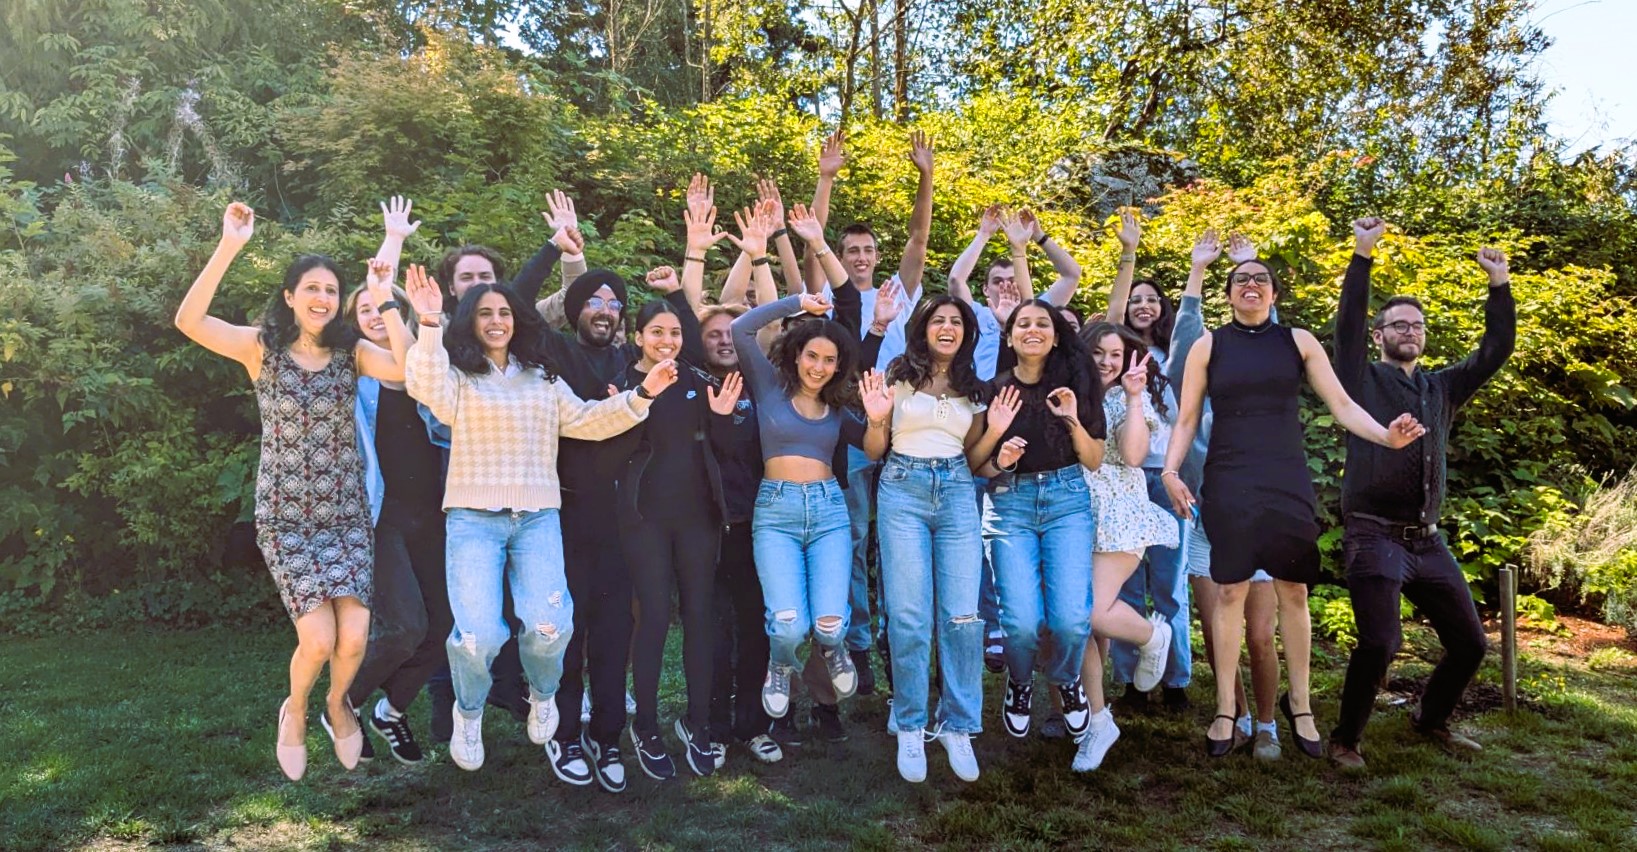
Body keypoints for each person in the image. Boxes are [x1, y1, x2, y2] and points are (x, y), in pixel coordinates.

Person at [401, 266, 675, 773]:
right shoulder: (458, 377)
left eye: (505, 312)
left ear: (518, 321)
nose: (497, 320)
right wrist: (427, 322)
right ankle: (468, 711)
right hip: (472, 520)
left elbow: (590, 422)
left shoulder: (544, 378)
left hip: (537, 520)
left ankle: (543, 693)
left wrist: (644, 395)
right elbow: (423, 387)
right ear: (471, 322)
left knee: (551, 629)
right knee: (478, 636)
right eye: (485, 313)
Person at [174, 202, 411, 781]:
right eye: (312, 288)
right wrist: (230, 244)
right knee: (318, 638)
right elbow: (189, 320)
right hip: (286, 519)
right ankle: (298, 709)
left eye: (331, 289)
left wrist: (383, 299)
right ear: (290, 297)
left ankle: (337, 704)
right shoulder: (262, 350)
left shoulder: (352, 354)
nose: (323, 298)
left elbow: (408, 371)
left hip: (347, 517)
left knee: (353, 639)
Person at [1160, 254, 1427, 758]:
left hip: (1285, 478)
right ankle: (1224, 709)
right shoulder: (1208, 345)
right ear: (1229, 293)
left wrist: (1386, 438)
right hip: (1228, 479)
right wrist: (1172, 472)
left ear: (1275, 294)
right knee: (1229, 594)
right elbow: (1188, 418)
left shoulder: (1298, 341)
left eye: (1261, 279)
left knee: (1294, 593)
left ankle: (1299, 705)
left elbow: (1343, 405)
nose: (1251, 286)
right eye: (1241, 280)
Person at [1326, 220, 1515, 769]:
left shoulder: (1442, 387)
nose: (1409, 330)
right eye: (1397, 324)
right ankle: (1345, 740)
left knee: (1471, 645)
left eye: (1417, 324)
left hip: (1427, 543)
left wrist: (1499, 285)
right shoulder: (1358, 378)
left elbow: (1496, 349)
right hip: (1372, 535)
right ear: (1380, 334)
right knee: (1381, 643)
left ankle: (1429, 720)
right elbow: (1345, 329)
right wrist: (1362, 255)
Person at [425, 190, 589, 743]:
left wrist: (566, 249)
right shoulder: (443, 334)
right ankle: (458, 713)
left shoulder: (522, 346)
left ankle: (529, 698)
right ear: (452, 290)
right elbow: (424, 372)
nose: (480, 290)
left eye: (487, 278)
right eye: (468, 279)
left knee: (541, 623)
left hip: (528, 488)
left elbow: (566, 301)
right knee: (472, 631)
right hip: (458, 491)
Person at [612, 190, 744, 781]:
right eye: (656, 333)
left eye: (673, 331)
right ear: (638, 338)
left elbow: (722, 442)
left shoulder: (696, 379)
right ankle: (645, 727)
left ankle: (697, 721)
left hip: (698, 518)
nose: (667, 340)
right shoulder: (620, 386)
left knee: (698, 615)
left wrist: (718, 418)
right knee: (652, 620)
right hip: (644, 519)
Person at [729, 288, 892, 735]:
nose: (819, 367)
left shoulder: (836, 409)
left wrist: (878, 419)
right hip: (776, 512)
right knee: (786, 625)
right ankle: (781, 666)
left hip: (827, 513)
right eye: (812, 356)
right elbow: (740, 328)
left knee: (829, 623)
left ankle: (833, 647)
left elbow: (874, 450)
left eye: (829, 360)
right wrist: (799, 302)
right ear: (797, 354)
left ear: (838, 366)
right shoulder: (769, 388)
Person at [811, 132, 935, 696]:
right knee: (857, 541)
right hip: (856, 439)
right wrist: (826, 178)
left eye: (866, 250)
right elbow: (813, 242)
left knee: (903, 545)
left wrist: (925, 175)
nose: (859, 258)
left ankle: (902, 640)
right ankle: (858, 646)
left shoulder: (900, 291)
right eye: (851, 250)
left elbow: (919, 235)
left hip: (907, 438)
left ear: (877, 256)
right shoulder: (833, 302)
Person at [1165, 230, 1283, 759]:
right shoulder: (1194, 400)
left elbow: (1271, 341)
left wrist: (1248, 263)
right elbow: (1185, 336)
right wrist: (1199, 268)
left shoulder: (1257, 397)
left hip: (1259, 521)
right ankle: (1227, 715)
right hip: (1209, 525)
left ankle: (1268, 725)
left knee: (1259, 634)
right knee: (1218, 637)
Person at [341, 199, 449, 766]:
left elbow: (414, 370)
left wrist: (388, 298)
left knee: (443, 628)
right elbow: (377, 286)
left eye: (380, 309)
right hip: (379, 517)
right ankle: (346, 703)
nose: (371, 313)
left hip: (434, 514)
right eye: (361, 309)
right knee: (405, 625)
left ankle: (392, 709)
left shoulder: (424, 369)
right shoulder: (349, 372)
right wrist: (392, 241)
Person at [968, 299, 1106, 740]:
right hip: (1011, 504)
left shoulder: (1076, 385)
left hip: (1067, 500)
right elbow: (976, 465)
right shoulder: (994, 390)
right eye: (1022, 324)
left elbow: (1095, 460)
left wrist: (1070, 420)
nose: (1032, 330)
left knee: (1069, 619)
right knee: (1021, 622)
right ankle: (1021, 682)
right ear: (1009, 337)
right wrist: (1001, 456)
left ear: (1055, 334)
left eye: (1041, 323)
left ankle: (1066, 682)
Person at [873, 295, 994, 783]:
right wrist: (879, 416)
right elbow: (873, 448)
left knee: (962, 614)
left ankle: (958, 723)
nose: (947, 327)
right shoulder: (897, 376)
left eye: (956, 322)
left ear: (966, 333)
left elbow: (974, 456)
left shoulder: (974, 388)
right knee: (908, 614)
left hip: (958, 490)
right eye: (938, 320)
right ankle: (910, 721)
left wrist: (998, 431)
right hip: (902, 487)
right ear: (922, 328)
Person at [1072, 322, 1181, 771]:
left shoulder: (1128, 398)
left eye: (1115, 354)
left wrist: (1135, 396)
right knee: (1078, 626)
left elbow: (1134, 456)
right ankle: (1098, 722)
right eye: (1097, 352)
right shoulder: (1069, 392)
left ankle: (1152, 634)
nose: (1106, 362)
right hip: (1070, 512)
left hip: (1119, 512)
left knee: (1088, 612)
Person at [1100, 212, 1194, 712]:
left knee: (1170, 583)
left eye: (1150, 299)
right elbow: (1109, 323)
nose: (1141, 305)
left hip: (1164, 477)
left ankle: (1176, 679)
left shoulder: (1172, 358)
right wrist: (1127, 253)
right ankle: (1133, 682)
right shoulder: (1113, 363)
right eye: (1134, 298)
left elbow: (1184, 423)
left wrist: (1178, 473)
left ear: (1161, 308)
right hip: (1125, 478)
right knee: (1126, 586)